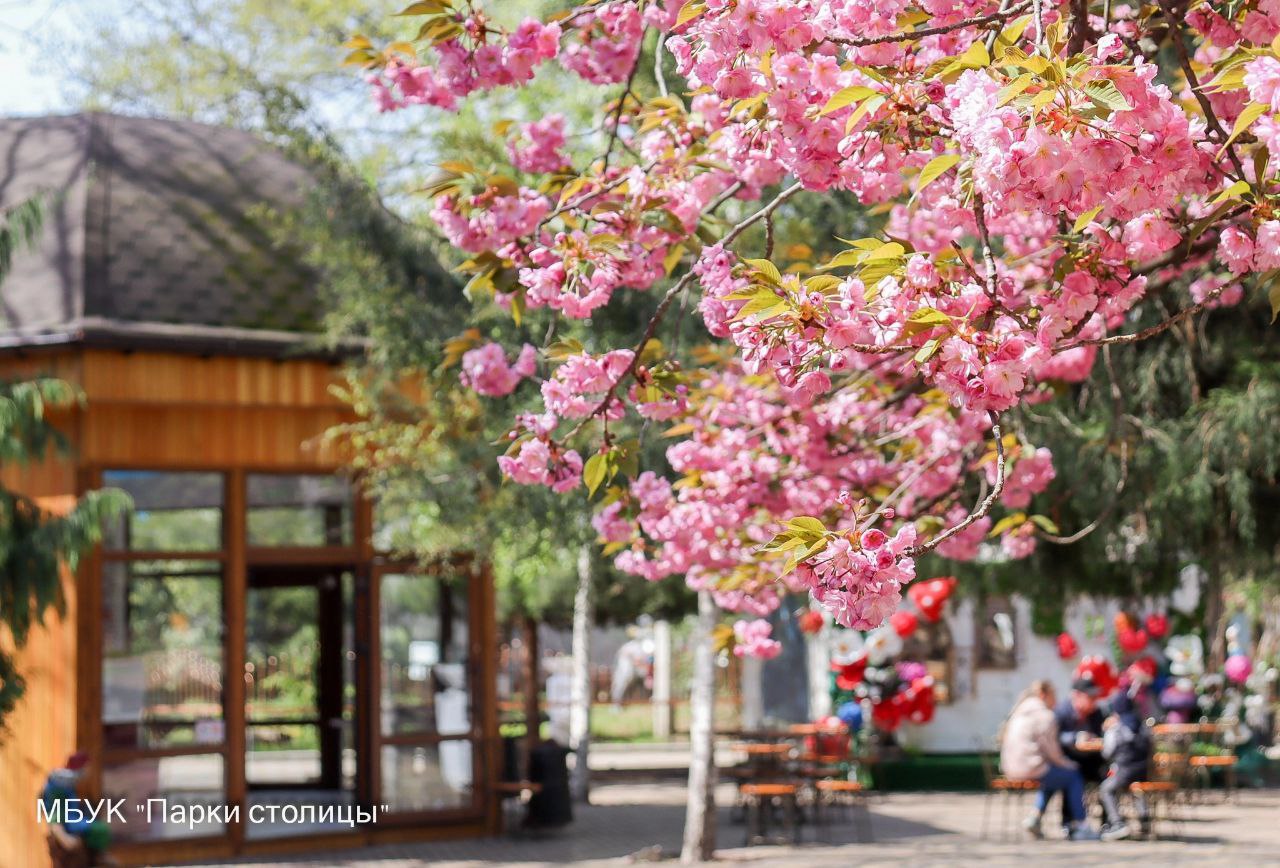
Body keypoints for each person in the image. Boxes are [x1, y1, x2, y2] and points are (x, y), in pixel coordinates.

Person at [1000, 679, 1099, 840]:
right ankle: (1081, 825)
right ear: (1044, 695)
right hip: (1029, 767)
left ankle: (1035, 817)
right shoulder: (1045, 715)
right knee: (1072, 775)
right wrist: (1069, 764)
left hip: (1009, 767)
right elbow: (1053, 753)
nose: (1056, 701)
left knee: (1054, 776)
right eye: (1054, 696)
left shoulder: (1020, 710)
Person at [1053, 679, 1107, 827]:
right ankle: (1069, 823)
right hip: (1068, 759)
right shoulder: (1062, 711)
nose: (1094, 701)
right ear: (1076, 695)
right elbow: (1054, 737)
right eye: (1090, 697)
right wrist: (1075, 738)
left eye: (1095, 697)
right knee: (1070, 775)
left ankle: (1107, 823)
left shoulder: (1097, 713)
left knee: (1107, 775)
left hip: (1092, 759)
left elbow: (1102, 735)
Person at [1099, 690, 1151, 841]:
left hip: (1124, 772)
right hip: (1144, 771)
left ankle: (1117, 823)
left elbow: (1107, 753)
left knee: (1105, 789)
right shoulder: (1142, 724)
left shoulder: (1116, 728)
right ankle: (1144, 817)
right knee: (1137, 787)